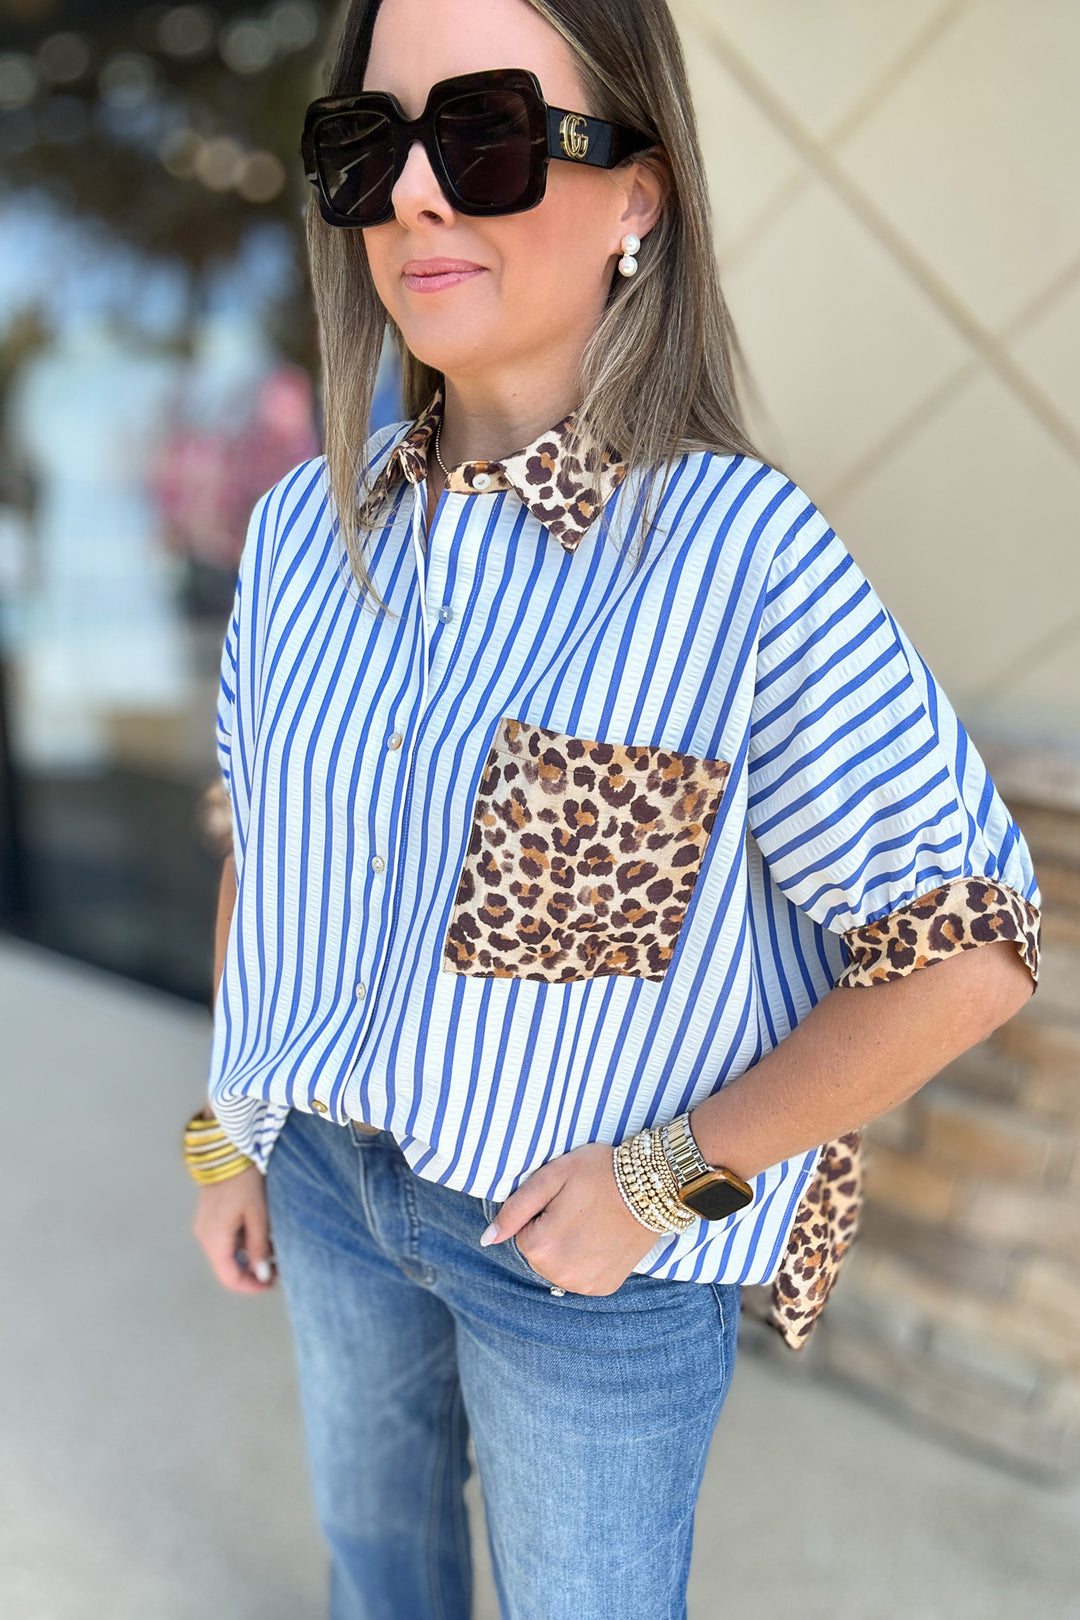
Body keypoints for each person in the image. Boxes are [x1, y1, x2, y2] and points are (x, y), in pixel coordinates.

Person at [184, 1, 1041, 1615]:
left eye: (486, 134)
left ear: (639, 193)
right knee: (378, 1566)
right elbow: (262, 854)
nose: (419, 196)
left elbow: (968, 945)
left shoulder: (742, 558)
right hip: (326, 1185)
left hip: (577, 1271)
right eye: (369, 147)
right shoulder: (306, 533)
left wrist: (663, 1179)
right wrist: (227, 1130)